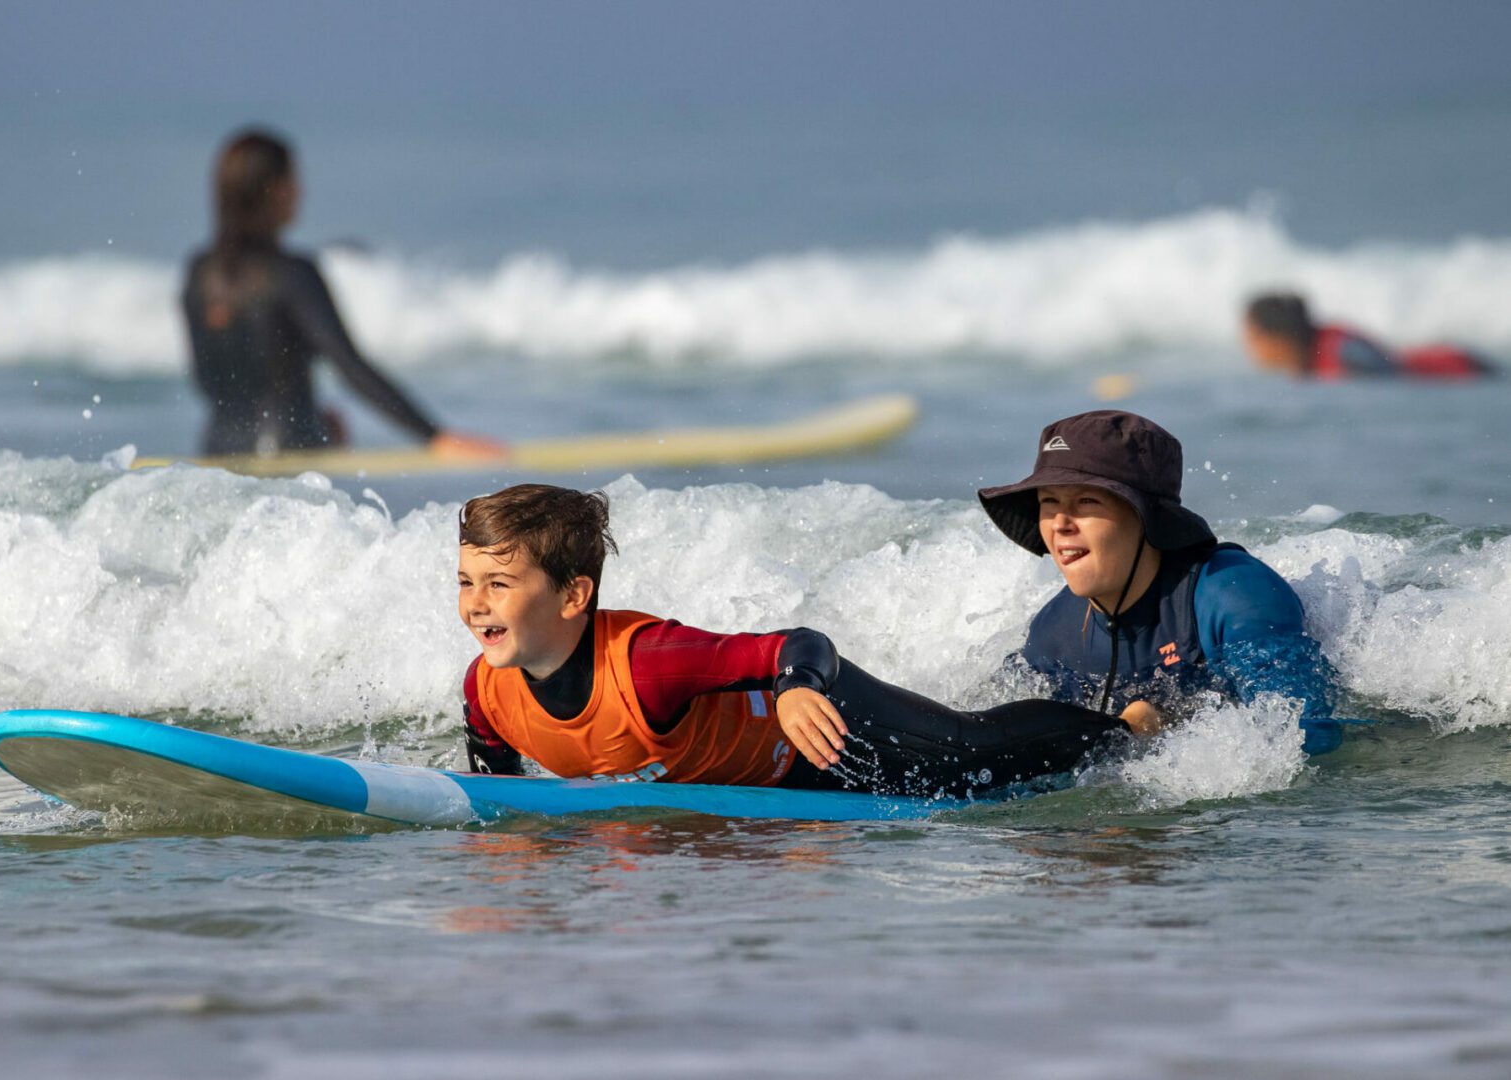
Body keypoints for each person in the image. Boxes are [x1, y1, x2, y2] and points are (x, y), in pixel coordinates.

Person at [457, 484, 1128, 801]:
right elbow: (501, 796)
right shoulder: (487, 693)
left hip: (831, 737)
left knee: (972, 756)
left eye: (498, 583)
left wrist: (797, 689)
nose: (475, 604)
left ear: (574, 596)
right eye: (465, 581)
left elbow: (797, 644)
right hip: (765, 789)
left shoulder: (650, 665)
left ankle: (1127, 729)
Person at [978, 410, 1343, 755]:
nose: (1060, 524)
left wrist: (1163, 725)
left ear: (1147, 520)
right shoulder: (1053, 631)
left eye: (1086, 501)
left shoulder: (1234, 594)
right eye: (1049, 502)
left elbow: (1306, 738)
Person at [181, 128, 505, 458]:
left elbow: (209, 381)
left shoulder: (198, 272)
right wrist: (434, 437)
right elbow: (350, 367)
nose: (300, 191)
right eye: (294, 180)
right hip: (291, 449)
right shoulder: (292, 273)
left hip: (217, 453)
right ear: (275, 190)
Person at [1243, 291, 1493, 380]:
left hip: (1458, 368)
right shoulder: (1311, 367)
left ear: (1277, 338)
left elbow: (1392, 376)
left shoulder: (1338, 350)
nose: (1249, 347)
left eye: (1253, 337)